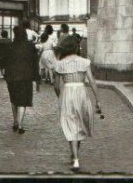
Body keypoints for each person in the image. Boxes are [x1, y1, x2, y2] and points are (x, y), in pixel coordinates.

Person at [53, 35, 102, 172]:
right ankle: (75, 153)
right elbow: (92, 81)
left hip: (67, 92)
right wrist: (98, 100)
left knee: (70, 124)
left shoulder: (60, 64)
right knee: (80, 122)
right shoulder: (84, 62)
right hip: (81, 92)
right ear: (76, 47)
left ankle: (75, 158)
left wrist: (60, 97)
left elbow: (56, 85)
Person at [2, 25, 40, 134]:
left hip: (12, 77)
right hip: (25, 77)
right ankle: (20, 125)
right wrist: (37, 78)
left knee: (14, 99)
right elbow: (35, 62)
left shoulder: (10, 46)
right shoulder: (30, 46)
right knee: (22, 100)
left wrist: (6, 74)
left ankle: (15, 121)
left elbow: (5, 61)